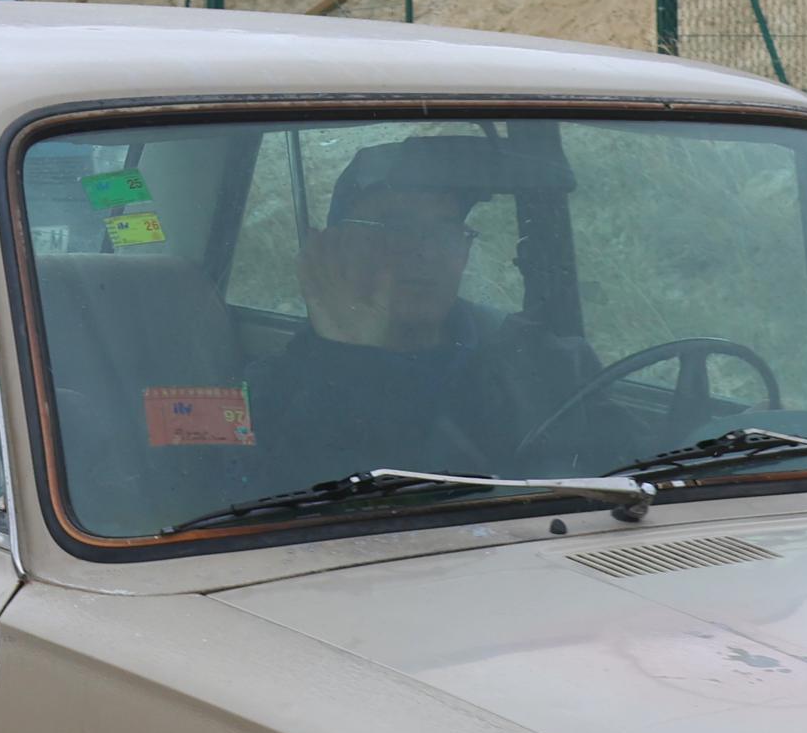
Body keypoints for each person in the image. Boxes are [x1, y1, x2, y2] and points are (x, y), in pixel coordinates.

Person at [245, 143, 594, 484]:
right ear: (335, 248)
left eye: (445, 230)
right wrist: (350, 360)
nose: (426, 252)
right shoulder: (272, 395)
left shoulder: (543, 361)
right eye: (396, 228)